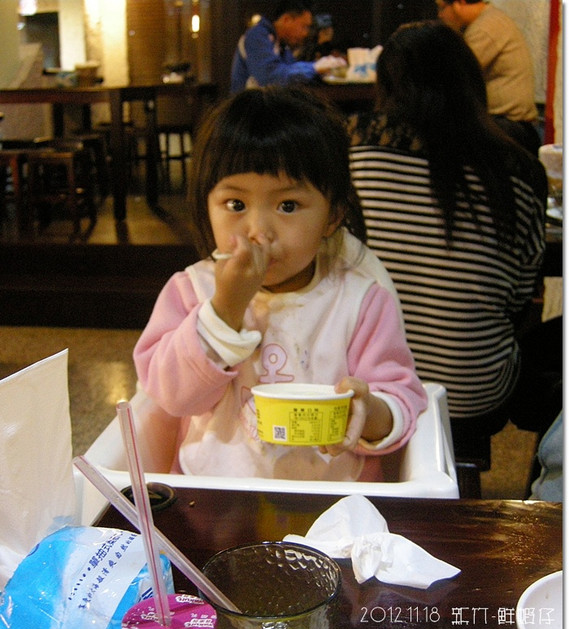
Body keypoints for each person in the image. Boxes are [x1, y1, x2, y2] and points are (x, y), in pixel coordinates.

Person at [133, 86, 427, 481]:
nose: (258, 231)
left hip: (333, 497)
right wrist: (223, 311)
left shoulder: (360, 301)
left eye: (288, 205)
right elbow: (168, 398)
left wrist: (369, 412)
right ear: (207, 205)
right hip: (212, 492)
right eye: (236, 204)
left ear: (333, 215)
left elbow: (403, 398)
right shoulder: (191, 291)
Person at [347, 21, 547, 460]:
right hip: (476, 396)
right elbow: (520, 299)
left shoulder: (354, 147)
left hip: (368, 387)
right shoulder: (517, 167)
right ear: (471, 82)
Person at [435, 0, 541, 155]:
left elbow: (451, 75)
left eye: (442, 7)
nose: (440, 15)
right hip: (505, 126)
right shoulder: (488, 20)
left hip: (508, 129)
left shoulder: (486, 28)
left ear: (460, 3)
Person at [230, 1, 345, 93]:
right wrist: (315, 67)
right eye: (304, 27)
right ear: (287, 20)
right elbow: (269, 78)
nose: (305, 33)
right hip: (249, 111)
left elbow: (291, 76)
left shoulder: (282, 45)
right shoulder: (257, 35)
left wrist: (324, 70)